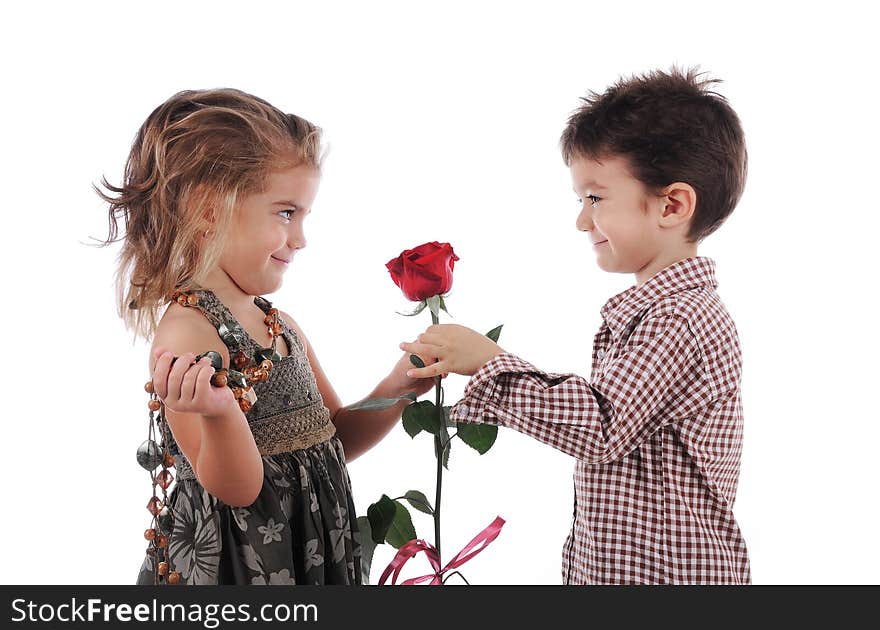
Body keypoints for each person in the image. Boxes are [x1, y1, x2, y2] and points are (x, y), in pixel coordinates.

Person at [400, 66, 751, 584]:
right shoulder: (652, 314)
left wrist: (491, 363)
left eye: (595, 198)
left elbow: (602, 426)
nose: (582, 221)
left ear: (672, 204)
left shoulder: (680, 317)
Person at [97, 88, 435, 584]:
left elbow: (332, 437)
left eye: (302, 216)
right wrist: (220, 413)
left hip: (311, 553)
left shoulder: (279, 325)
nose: (300, 238)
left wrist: (396, 388)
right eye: (285, 213)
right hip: (245, 567)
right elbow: (237, 487)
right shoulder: (188, 336)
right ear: (208, 209)